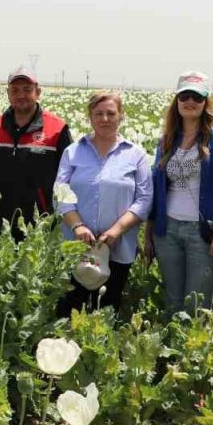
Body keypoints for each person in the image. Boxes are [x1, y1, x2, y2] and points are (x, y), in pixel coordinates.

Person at [145, 71, 213, 316]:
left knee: (196, 305)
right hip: (168, 232)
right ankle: (174, 355)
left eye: (197, 97)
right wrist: (149, 233)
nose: (190, 101)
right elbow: (157, 190)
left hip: (204, 233)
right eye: (184, 95)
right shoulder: (166, 139)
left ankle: (194, 353)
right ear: (176, 101)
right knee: (173, 302)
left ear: (206, 102)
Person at [54, 91, 152, 315]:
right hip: (76, 246)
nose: (105, 119)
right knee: (70, 309)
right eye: (99, 113)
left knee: (106, 311)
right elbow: (60, 192)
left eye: (111, 113)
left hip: (118, 247)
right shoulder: (73, 151)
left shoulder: (135, 155)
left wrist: (117, 230)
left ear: (121, 116)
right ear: (89, 116)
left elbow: (144, 199)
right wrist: (78, 226)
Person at [0, 67, 72, 241]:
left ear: (38, 92)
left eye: (27, 90)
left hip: (40, 222)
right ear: (8, 94)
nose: (21, 95)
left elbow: (69, 177)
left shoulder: (57, 128)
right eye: (15, 90)